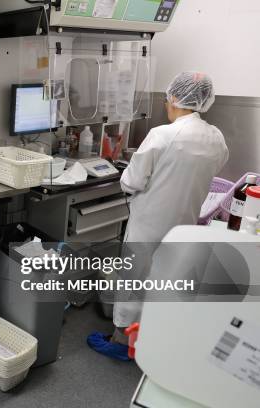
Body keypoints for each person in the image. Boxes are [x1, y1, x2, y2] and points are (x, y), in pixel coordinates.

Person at [87, 72, 229, 360]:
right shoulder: (215, 137)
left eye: (167, 98)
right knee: (165, 281)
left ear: (175, 98)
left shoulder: (163, 134)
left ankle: (122, 343)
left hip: (149, 224)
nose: (167, 102)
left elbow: (131, 181)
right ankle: (154, 338)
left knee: (134, 281)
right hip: (184, 225)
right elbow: (216, 166)